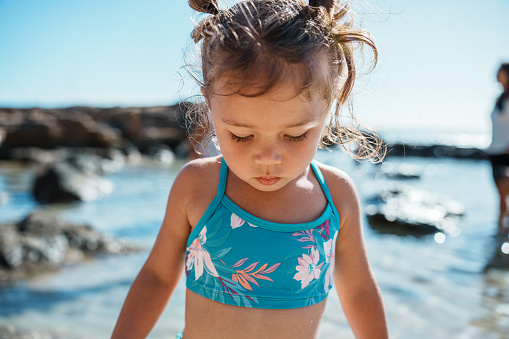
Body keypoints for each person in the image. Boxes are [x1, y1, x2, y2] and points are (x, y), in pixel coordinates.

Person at [112, 0, 388, 338]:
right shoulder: (199, 186)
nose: (268, 158)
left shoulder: (335, 196)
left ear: (328, 107)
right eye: (241, 136)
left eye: (295, 134)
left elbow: (358, 290)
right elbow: (157, 276)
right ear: (210, 104)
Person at [486, 63, 509, 232]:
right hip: (494, 153)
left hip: (506, 153)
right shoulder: (498, 99)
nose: (496, 74)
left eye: (499, 72)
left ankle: (502, 233)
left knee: (504, 195)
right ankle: (500, 232)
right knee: (500, 197)